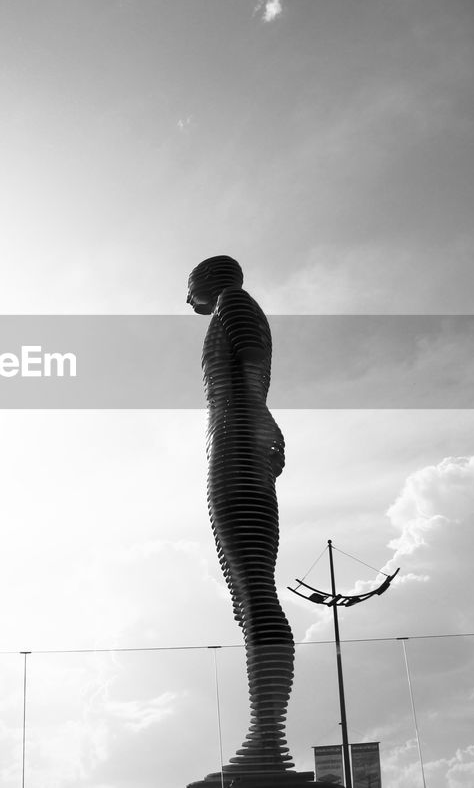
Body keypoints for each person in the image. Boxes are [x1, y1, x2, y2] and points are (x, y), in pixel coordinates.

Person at [187, 256, 309, 785]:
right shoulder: (231, 312)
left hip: (239, 446)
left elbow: (253, 364)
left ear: (209, 281)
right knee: (247, 592)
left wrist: (263, 424)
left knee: (254, 588)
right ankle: (266, 743)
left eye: (189, 289)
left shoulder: (235, 306)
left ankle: (268, 743)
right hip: (236, 443)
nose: (187, 302)